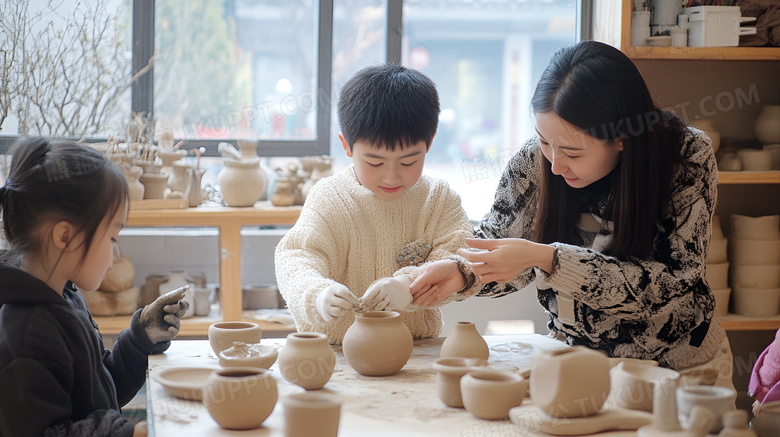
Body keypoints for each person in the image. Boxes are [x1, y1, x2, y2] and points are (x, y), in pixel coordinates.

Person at [411, 40, 733, 387]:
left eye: (572, 152)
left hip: (679, 368)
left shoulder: (685, 157)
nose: (555, 163)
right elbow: (500, 240)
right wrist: (462, 272)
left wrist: (550, 259)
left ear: (622, 137)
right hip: (576, 363)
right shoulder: (537, 159)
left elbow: (669, 283)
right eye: (545, 142)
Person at [275, 64, 478, 345]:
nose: (392, 175)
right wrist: (317, 293)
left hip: (416, 352)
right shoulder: (329, 198)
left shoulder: (438, 199)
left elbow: (461, 257)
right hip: (337, 353)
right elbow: (296, 258)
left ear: (430, 143)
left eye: (409, 161)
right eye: (374, 162)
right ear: (347, 146)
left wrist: (410, 285)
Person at [0, 138, 190, 437]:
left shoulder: (65, 297)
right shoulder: (28, 332)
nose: (115, 254)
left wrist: (140, 340)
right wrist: (132, 432)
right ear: (65, 237)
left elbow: (101, 391)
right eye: (112, 237)